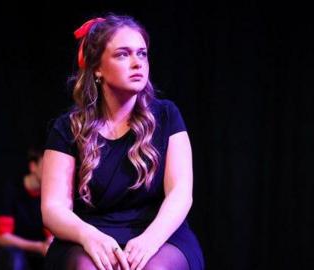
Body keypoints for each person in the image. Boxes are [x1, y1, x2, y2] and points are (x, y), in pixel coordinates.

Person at [42, 14, 204, 270]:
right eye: (123, 54)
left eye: (142, 54)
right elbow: (53, 207)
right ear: (97, 68)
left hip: (158, 233)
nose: (137, 63)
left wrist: (150, 240)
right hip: (91, 234)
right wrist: (88, 236)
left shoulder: (167, 115)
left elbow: (181, 193)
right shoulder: (68, 128)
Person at [0, 147, 53, 270]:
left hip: (36, 250)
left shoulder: (49, 195)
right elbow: (3, 238)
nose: (51, 171)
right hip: (9, 250)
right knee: (15, 258)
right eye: (46, 165)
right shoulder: (10, 190)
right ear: (33, 166)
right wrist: (38, 246)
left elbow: (50, 233)